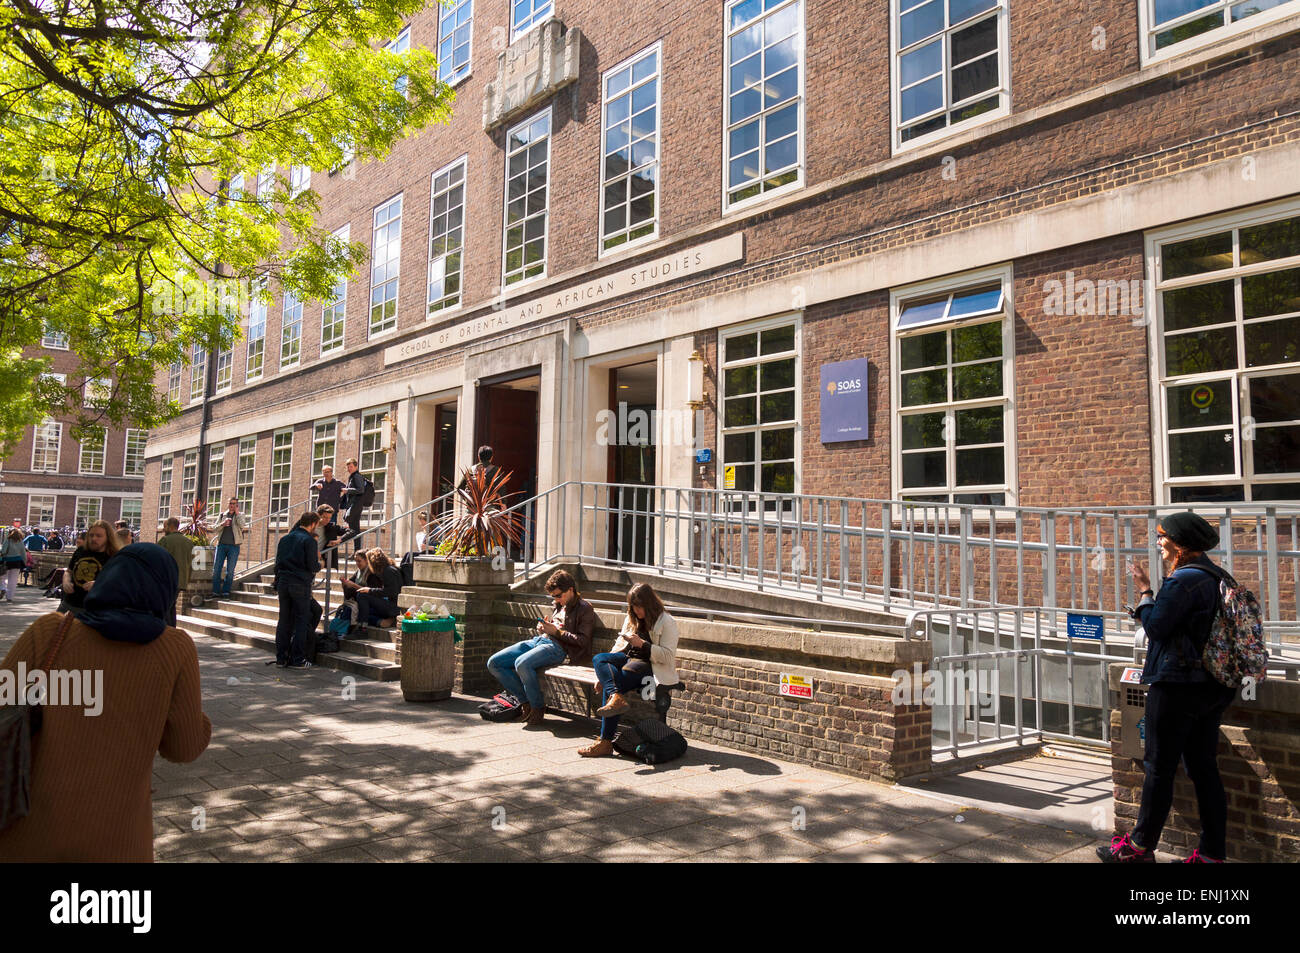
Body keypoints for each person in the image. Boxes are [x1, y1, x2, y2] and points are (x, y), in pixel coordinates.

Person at [0, 543, 211, 861]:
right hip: (117, 839)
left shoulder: (51, 631)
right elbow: (183, 747)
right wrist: (195, 719)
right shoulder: (176, 648)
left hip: (30, 830)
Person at [1097, 512, 1237, 864]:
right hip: (1212, 687)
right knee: (1203, 769)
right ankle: (1211, 855)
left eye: (1163, 536)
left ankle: (1139, 848)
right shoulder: (1218, 576)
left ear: (1179, 543)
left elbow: (1157, 628)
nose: (1158, 542)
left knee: (1158, 767)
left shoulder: (1182, 581)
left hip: (1176, 687)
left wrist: (1145, 592)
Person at [579, 582, 681, 757]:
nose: (636, 611)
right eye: (633, 607)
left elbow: (668, 656)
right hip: (626, 657)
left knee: (615, 682)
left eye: (639, 607)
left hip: (649, 663)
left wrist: (643, 644)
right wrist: (602, 676)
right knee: (599, 659)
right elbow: (618, 645)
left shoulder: (667, 621)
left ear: (649, 604)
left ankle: (605, 741)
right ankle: (615, 698)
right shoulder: (631, 617)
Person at [487, 569, 595, 726]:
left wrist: (557, 632)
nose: (557, 599)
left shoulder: (584, 608)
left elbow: (583, 641)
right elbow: (554, 626)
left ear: (571, 590)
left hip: (558, 648)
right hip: (539, 640)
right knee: (494, 663)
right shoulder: (559, 604)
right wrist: (543, 627)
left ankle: (537, 707)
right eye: (553, 597)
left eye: (559, 595)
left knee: (522, 663)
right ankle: (525, 701)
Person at [273, 510, 321, 669]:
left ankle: (281, 658)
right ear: (313, 524)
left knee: (284, 620)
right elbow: (312, 565)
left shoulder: (285, 539)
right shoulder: (309, 541)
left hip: (283, 582)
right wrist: (320, 563)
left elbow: (278, 562)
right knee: (301, 620)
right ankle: (297, 659)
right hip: (300, 583)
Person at [60, 519, 122, 612]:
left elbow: (120, 583)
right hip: (69, 603)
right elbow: (68, 571)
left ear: (108, 537)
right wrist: (66, 581)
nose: (94, 539)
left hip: (95, 609)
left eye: (99, 536)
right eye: (91, 535)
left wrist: (99, 584)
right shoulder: (81, 550)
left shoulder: (115, 557)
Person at [157, 516, 195, 626]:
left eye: (165, 526)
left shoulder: (165, 540)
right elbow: (191, 563)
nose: (164, 529)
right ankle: (172, 630)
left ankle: (168, 631)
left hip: (167, 579)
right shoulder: (188, 542)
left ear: (170, 526)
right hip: (181, 579)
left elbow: (157, 559)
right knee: (172, 605)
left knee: (166, 606)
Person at [354, 548, 402, 628]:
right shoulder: (387, 570)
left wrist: (370, 590)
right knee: (359, 611)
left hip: (394, 607)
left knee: (362, 595)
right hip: (393, 605)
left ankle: (362, 628)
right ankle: (382, 621)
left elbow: (391, 591)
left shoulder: (389, 571)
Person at [210, 496, 247, 599]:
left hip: (234, 547)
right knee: (216, 569)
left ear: (237, 505)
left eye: (234, 504)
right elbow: (214, 529)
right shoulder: (222, 515)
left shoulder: (241, 515)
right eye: (231, 503)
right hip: (221, 545)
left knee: (230, 571)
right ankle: (216, 592)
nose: (232, 505)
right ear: (228, 504)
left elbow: (242, 525)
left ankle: (226, 591)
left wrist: (237, 513)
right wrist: (223, 524)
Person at [338, 458, 367, 545]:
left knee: (353, 529)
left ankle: (356, 550)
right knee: (355, 529)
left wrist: (347, 490)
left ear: (356, 466)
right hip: (353, 505)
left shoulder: (357, 476)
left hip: (355, 505)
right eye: (348, 467)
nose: (349, 469)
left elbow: (361, 490)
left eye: (351, 467)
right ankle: (357, 551)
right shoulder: (352, 476)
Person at [315, 504, 344, 570]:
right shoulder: (309, 525)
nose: (327, 520)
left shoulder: (330, 527)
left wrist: (339, 540)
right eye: (325, 517)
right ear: (318, 515)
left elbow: (352, 531)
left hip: (318, 559)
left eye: (329, 518)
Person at [1, 528, 26, 602]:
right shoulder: (20, 541)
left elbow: (3, 551)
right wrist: (24, 563)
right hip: (17, 562)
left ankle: (2, 588)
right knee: (13, 580)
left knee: (2, 577)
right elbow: (23, 553)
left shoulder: (7, 540)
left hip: (7, 562)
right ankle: (9, 597)